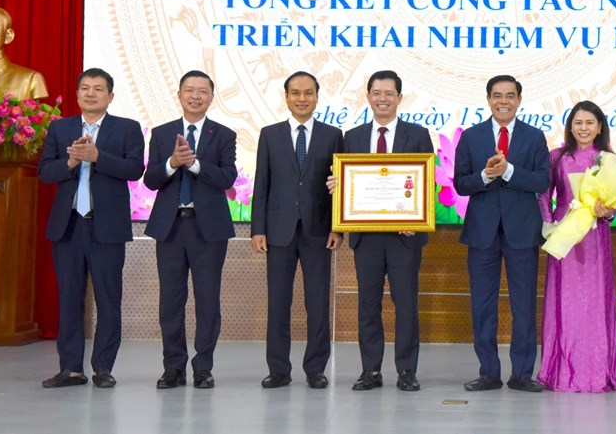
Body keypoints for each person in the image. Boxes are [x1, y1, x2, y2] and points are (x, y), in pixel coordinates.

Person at [37, 68, 144, 389]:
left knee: (108, 300)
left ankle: (103, 368)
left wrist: (97, 156)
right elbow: (45, 172)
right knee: (69, 299)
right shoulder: (60, 128)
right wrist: (70, 162)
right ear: (77, 94)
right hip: (68, 227)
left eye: (98, 89)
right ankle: (71, 369)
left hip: (106, 228)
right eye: (85, 88)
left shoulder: (127, 128)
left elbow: (134, 169)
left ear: (110, 96)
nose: (91, 93)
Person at [453, 75, 550, 392]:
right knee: (482, 305)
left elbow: (542, 181)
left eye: (510, 95)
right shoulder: (471, 136)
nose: (503, 101)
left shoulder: (534, 137)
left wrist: (508, 171)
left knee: (524, 305)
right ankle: (489, 372)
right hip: (482, 234)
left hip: (522, 233)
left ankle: (522, 373)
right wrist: (485, 175)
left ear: (519, 100)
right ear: (488, 99)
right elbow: (460, 184)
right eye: (497, 95)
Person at [340, 70, 434, 392]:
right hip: (365, 236)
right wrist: (338, 186)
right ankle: (371, 370)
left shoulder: (417, 134)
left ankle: (407, 370)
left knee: (406, 305)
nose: (382, 99)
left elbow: (427, 182)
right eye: (377, 93)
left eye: (389, 93)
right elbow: (348, 182)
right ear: (368, 97)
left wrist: (415, 219)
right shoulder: (352, 137)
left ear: (399, 98)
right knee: (368, 305)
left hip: (404, 237)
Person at [143, 70, 237, 390]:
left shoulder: (223, 134)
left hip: (208, 229)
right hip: (170, 228)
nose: (195, 96)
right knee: (171, 301)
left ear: (211, 97)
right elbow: (151, 180)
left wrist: (194, 164)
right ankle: (173, 367)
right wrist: (172, 162)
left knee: (207, 300)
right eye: (189, 90)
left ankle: (203, 368)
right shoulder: (161, 133)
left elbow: (227, 178)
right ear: (180, 95)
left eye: (202, 91)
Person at [251, 71, 343, 389]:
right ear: (286, 97)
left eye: (308, 93)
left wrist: (337, 228)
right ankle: (278, 369)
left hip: (319, 231)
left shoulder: (333, 135)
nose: (302, 98)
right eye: (295, 93)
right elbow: (262, 184)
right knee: (278, 303)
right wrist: (258, 229)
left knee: (317, 303)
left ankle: (315, 368)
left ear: (317, 97)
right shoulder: (270, 134)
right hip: (278, 232)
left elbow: (339, 186)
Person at [537, 101, 616, 393]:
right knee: (564, 301)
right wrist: (549, 224)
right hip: (564, 236)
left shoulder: (608, 160)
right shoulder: (557, 157)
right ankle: (559, 371)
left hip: (596, 237)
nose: (583, 128)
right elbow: (543, 194)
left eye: (589, 123)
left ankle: (597, 372)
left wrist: (607, 211)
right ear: (570, 127)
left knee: (595, 302)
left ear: (599, 127)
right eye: (578, 123)